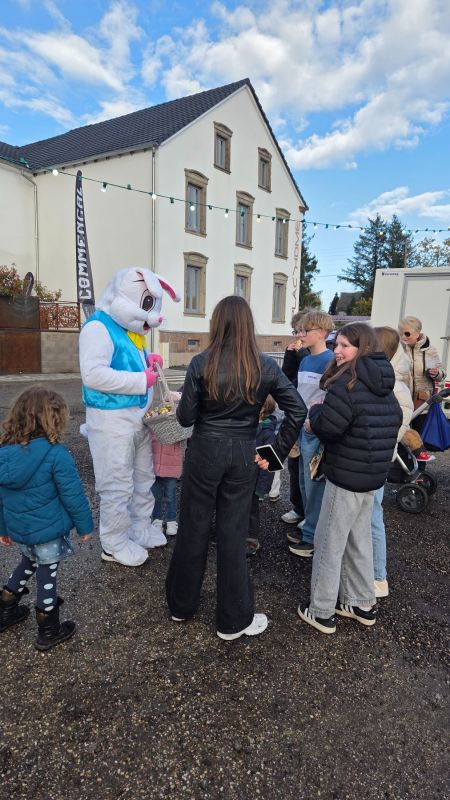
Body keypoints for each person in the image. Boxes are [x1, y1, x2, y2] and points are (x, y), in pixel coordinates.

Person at [166, 296, 306, 641]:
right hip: (243, 453)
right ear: (248, 325)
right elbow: (298, 411)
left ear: (216, 324)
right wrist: (274, 454)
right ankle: (232, 620)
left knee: (193, 526)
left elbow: (184, 418)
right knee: (232, 533)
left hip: (203, 452)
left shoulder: (201, 362)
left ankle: (181, 606)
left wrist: (190, 400)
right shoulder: (264, 366)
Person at [297, 323, 402, 634]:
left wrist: (314, 414)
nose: (337, 351)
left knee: (329, 542)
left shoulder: (349, 385)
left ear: (363, 348)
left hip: (345, 478)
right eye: (336, 344)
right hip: (371, 478)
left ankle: (321, 609)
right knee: (359, 541)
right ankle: (361, 603)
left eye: (344, 345)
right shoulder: (383, 384)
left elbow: (329, 427)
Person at [79, 267, 180, 567]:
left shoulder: (130, 332)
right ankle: (113, 543)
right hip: (112, 424)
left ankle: (138, 527)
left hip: (137, 421)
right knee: (117, 484)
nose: (153, 318)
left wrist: (147, 360)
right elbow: (93, 374)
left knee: (143, 477)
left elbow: (125, 362)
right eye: (148, 306)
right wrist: (141, 382)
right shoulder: (98, 327)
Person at [0, 387, 94, 651]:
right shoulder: (55, 454)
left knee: (27, 562)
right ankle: (48, 627)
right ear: (54, 419)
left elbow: (2, 498)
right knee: (47, 573)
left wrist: (3, 528)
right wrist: (85, 526)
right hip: (48, 531)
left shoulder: (4, 452)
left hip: (21, 529)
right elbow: (73, 494)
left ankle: (6, 607)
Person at [288, 310, 334, 558]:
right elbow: (299, 395)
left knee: (314, 485)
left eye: (306, 331)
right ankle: (308, 526)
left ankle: (311, 538)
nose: (301, 335)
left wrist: (313, 422)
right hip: (300, 428)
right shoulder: (304, 360)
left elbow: (329, 400)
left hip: (314, 431)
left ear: (321, 333)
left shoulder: (330, 362)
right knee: (303, 483)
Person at [372, 327, 414, 598]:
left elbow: (397, 427)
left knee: (373, 519)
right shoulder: (380, 381)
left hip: (374, 461)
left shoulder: (394, 387)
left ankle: (378, 577)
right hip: (369, 459)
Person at [280, 310, 310, 535]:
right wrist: (290, 355)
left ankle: (310, 512)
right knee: (293, 464)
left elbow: (308, 376)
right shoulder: (296, 350)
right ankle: (297, 507)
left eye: (302, 330)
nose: (298, 335)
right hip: (293, 414)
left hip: (311, 418)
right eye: (296, 330)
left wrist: (300, 355)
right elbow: (286, 377)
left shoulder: (320, 355)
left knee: (308, 470)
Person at [398, 316, 446, 453]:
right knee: (402, 437)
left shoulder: (430, 350)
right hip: (402, 401)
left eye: (407, 333)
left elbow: (442, 374)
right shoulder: (399, 349)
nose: (403, 336)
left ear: (418, 333)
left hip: (422, 403)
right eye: (401, 333)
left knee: (419, 441)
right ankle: (402, 470)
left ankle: (420, 471)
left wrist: (437, 373)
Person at [246, 395, 277, 556]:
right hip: (242, 479)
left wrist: (262, 488)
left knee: (251, 511)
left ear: (262, 410)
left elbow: (268, 465)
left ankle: (251, 539)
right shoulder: (250, 426)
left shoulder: (267, 433)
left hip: (254, 481)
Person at [150, 428, 183, 537]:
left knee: (170, 494)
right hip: (154, 459)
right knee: (155, 495)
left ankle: (171, 520)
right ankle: (157, 519)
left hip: (171, 462)